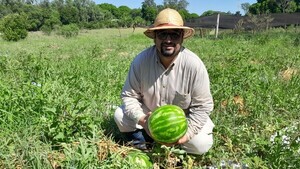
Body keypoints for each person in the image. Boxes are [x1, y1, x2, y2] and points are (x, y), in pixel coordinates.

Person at [114, 8, 215, 155]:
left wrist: (186, 135)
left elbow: (203, 106)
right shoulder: (141, 61)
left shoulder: (194, 65)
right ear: (155, 36)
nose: (168, 40)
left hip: (183, 121)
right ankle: (143, 142)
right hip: (148, 117)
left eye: (174, 34)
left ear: (182, 37)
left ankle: (176, 148)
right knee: (119, 115)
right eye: (162, 34)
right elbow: (129, 96)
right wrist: (143, 121)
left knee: (200, 144)